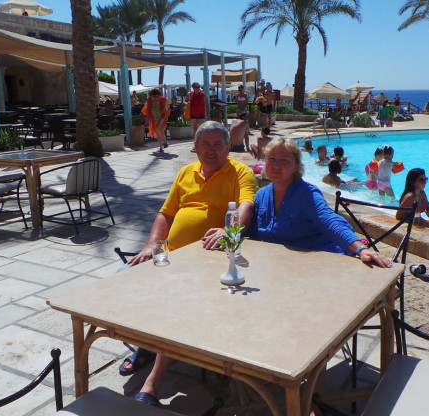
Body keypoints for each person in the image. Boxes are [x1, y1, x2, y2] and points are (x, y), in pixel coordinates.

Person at [127, 121, 257, 406]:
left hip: (207, 260)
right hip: (170, 254)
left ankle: (152, 383)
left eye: (217, 144)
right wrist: (151, 247)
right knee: (126, 278)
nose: (211, 150)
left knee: (177, 301)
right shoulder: (186, 172)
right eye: (205, 144)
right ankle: (147, 344)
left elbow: (246, 206)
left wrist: (229, 230)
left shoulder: (240, 173)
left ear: (228, 147)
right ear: (195, 147)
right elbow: (165, 214)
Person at [248, 137, 392, 268]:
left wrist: (360, 248)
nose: (276, 165)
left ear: (295, 167)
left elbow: (329, 219)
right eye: (271, 159)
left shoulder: (306, 194)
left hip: (320, 267)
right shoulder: (261, 196)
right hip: (282, 268)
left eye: (284, 161)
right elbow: (250, 233)